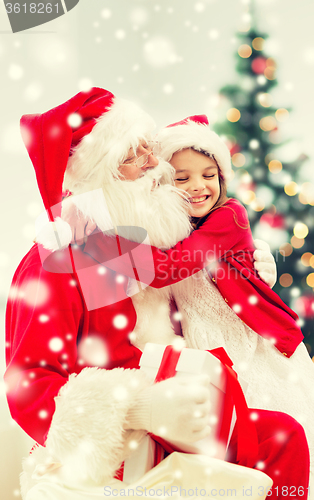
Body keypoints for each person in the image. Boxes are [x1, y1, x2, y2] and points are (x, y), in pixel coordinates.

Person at [4, 88, 309, 499]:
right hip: (119, 444)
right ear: (100, 175)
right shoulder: (56, 262)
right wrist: (139, 409)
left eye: (149, 147)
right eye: (134, 155)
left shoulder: (137, 242)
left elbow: (188, 274)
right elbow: (30, 385)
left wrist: (250, 266)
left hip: (185, 411)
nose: (155, 164)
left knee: (283, 437)